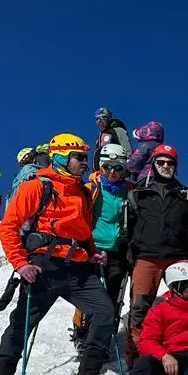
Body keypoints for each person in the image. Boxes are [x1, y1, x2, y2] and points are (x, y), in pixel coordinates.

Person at [0, 134, 114, 375]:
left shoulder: (80, 191)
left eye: (83, 157)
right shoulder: (37, 187)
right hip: (43, 268)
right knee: (20, 327)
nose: (83, 161)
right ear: (60, 157)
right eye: (78, 156)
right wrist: (21, 264)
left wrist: (92, 252)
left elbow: (82, 232)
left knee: (105, 312)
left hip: (77, 269)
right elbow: (8, 227)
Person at [126, 144, 188, 363]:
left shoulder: (185, 194)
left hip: (178, 255)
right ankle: (137, 352)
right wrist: (129, 252)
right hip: (146, 256)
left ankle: (182, 348)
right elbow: (128, 226)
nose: (166, 166)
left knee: (186, 304)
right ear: (153, 164)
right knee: (140, 305)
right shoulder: (138, 193)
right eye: (161, 162)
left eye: (170, 163)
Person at [71, 144, 132, 349]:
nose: (112, 172)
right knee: (91, 296)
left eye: (117, 168)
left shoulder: (130, 191)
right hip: (93, 249)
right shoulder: (91, 189)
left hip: (117, 250)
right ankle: (82, 332)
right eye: (107, 167)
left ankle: (102, 337)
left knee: (112, 295)